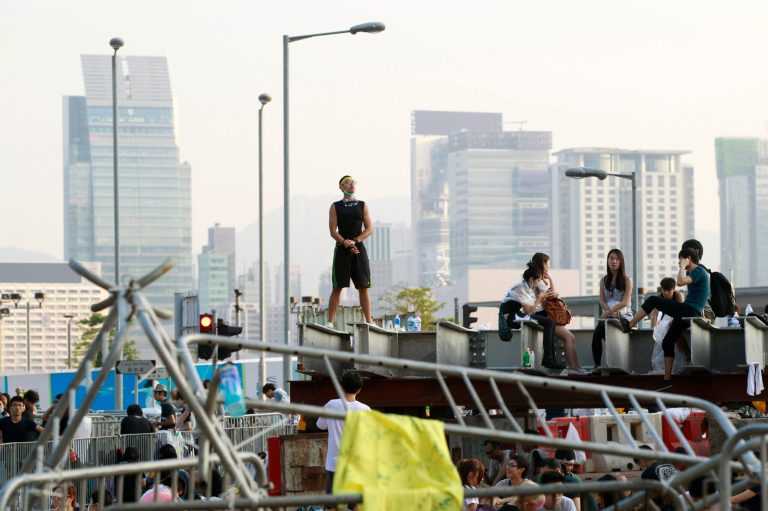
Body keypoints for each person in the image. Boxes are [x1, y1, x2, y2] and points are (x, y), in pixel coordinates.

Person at [620, 247, 710, 390]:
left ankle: (628, 325)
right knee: (668, 342)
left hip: (689, 310)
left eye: (680, 259)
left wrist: (682, 266)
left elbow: (679, 282)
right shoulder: (695, 273)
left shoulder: (698, 271)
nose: (678, 263)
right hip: (690, 311)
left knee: (653, 301)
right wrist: (703, 316)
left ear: (688, 259)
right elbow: (701, 296)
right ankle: (667, 379)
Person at [316, 372, 371, 505]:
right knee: (356, 505)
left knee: (332, 505)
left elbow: (320, 425)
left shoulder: (331, 405)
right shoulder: (365, 409)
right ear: (359, 389)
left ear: (341, 387)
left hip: (335, 464)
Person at [326, 175, 374, 328]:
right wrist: (345, 242)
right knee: (337, 287)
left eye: (353, 182)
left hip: (358, 249)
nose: (351, 184)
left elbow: (369, 228)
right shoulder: (335, 206)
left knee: (363, 286)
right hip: (342, 249)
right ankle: (330, 322)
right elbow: (333, 231)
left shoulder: (362, 205)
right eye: (347, 182)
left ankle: (369, 320)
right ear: (341, 187)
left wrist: (355, 241)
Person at [529, 253, 584, 374]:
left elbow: (551, 295)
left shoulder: (537, 279)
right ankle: (574, 368)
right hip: (543, 315)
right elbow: (552, 296)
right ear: (542, 264)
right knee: (569, 338)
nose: (549, 265)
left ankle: (577, 367)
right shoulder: (539, 281)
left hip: (544, 314)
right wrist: (552, 280)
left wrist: (551, 282)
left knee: (570, 338)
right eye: (547, 263)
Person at [501, 265, 563, 370]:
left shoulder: (524, 287)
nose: (538, 283)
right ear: (531, 279)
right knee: (549, 323)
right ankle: (548, 359)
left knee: (550, 322)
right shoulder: (520, 289)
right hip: (510, 317)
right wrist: (540, 297)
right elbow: (529, 311)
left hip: (516, 314)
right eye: (537, 280)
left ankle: (550, 358)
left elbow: (527, 310)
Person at [591, 249, 633, 368]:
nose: (614, 261)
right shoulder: (603, 280)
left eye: (617, 259)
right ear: (607, 260)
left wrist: (612, 311)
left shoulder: (627, 279)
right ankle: (597, 365)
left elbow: (625, 302)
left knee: (603, 329)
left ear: (621, 262)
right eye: (611, 258)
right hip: (608, 312)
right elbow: (601, 300)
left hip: (623, 312)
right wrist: (609, 312)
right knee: (597, 334)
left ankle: (615, 363)